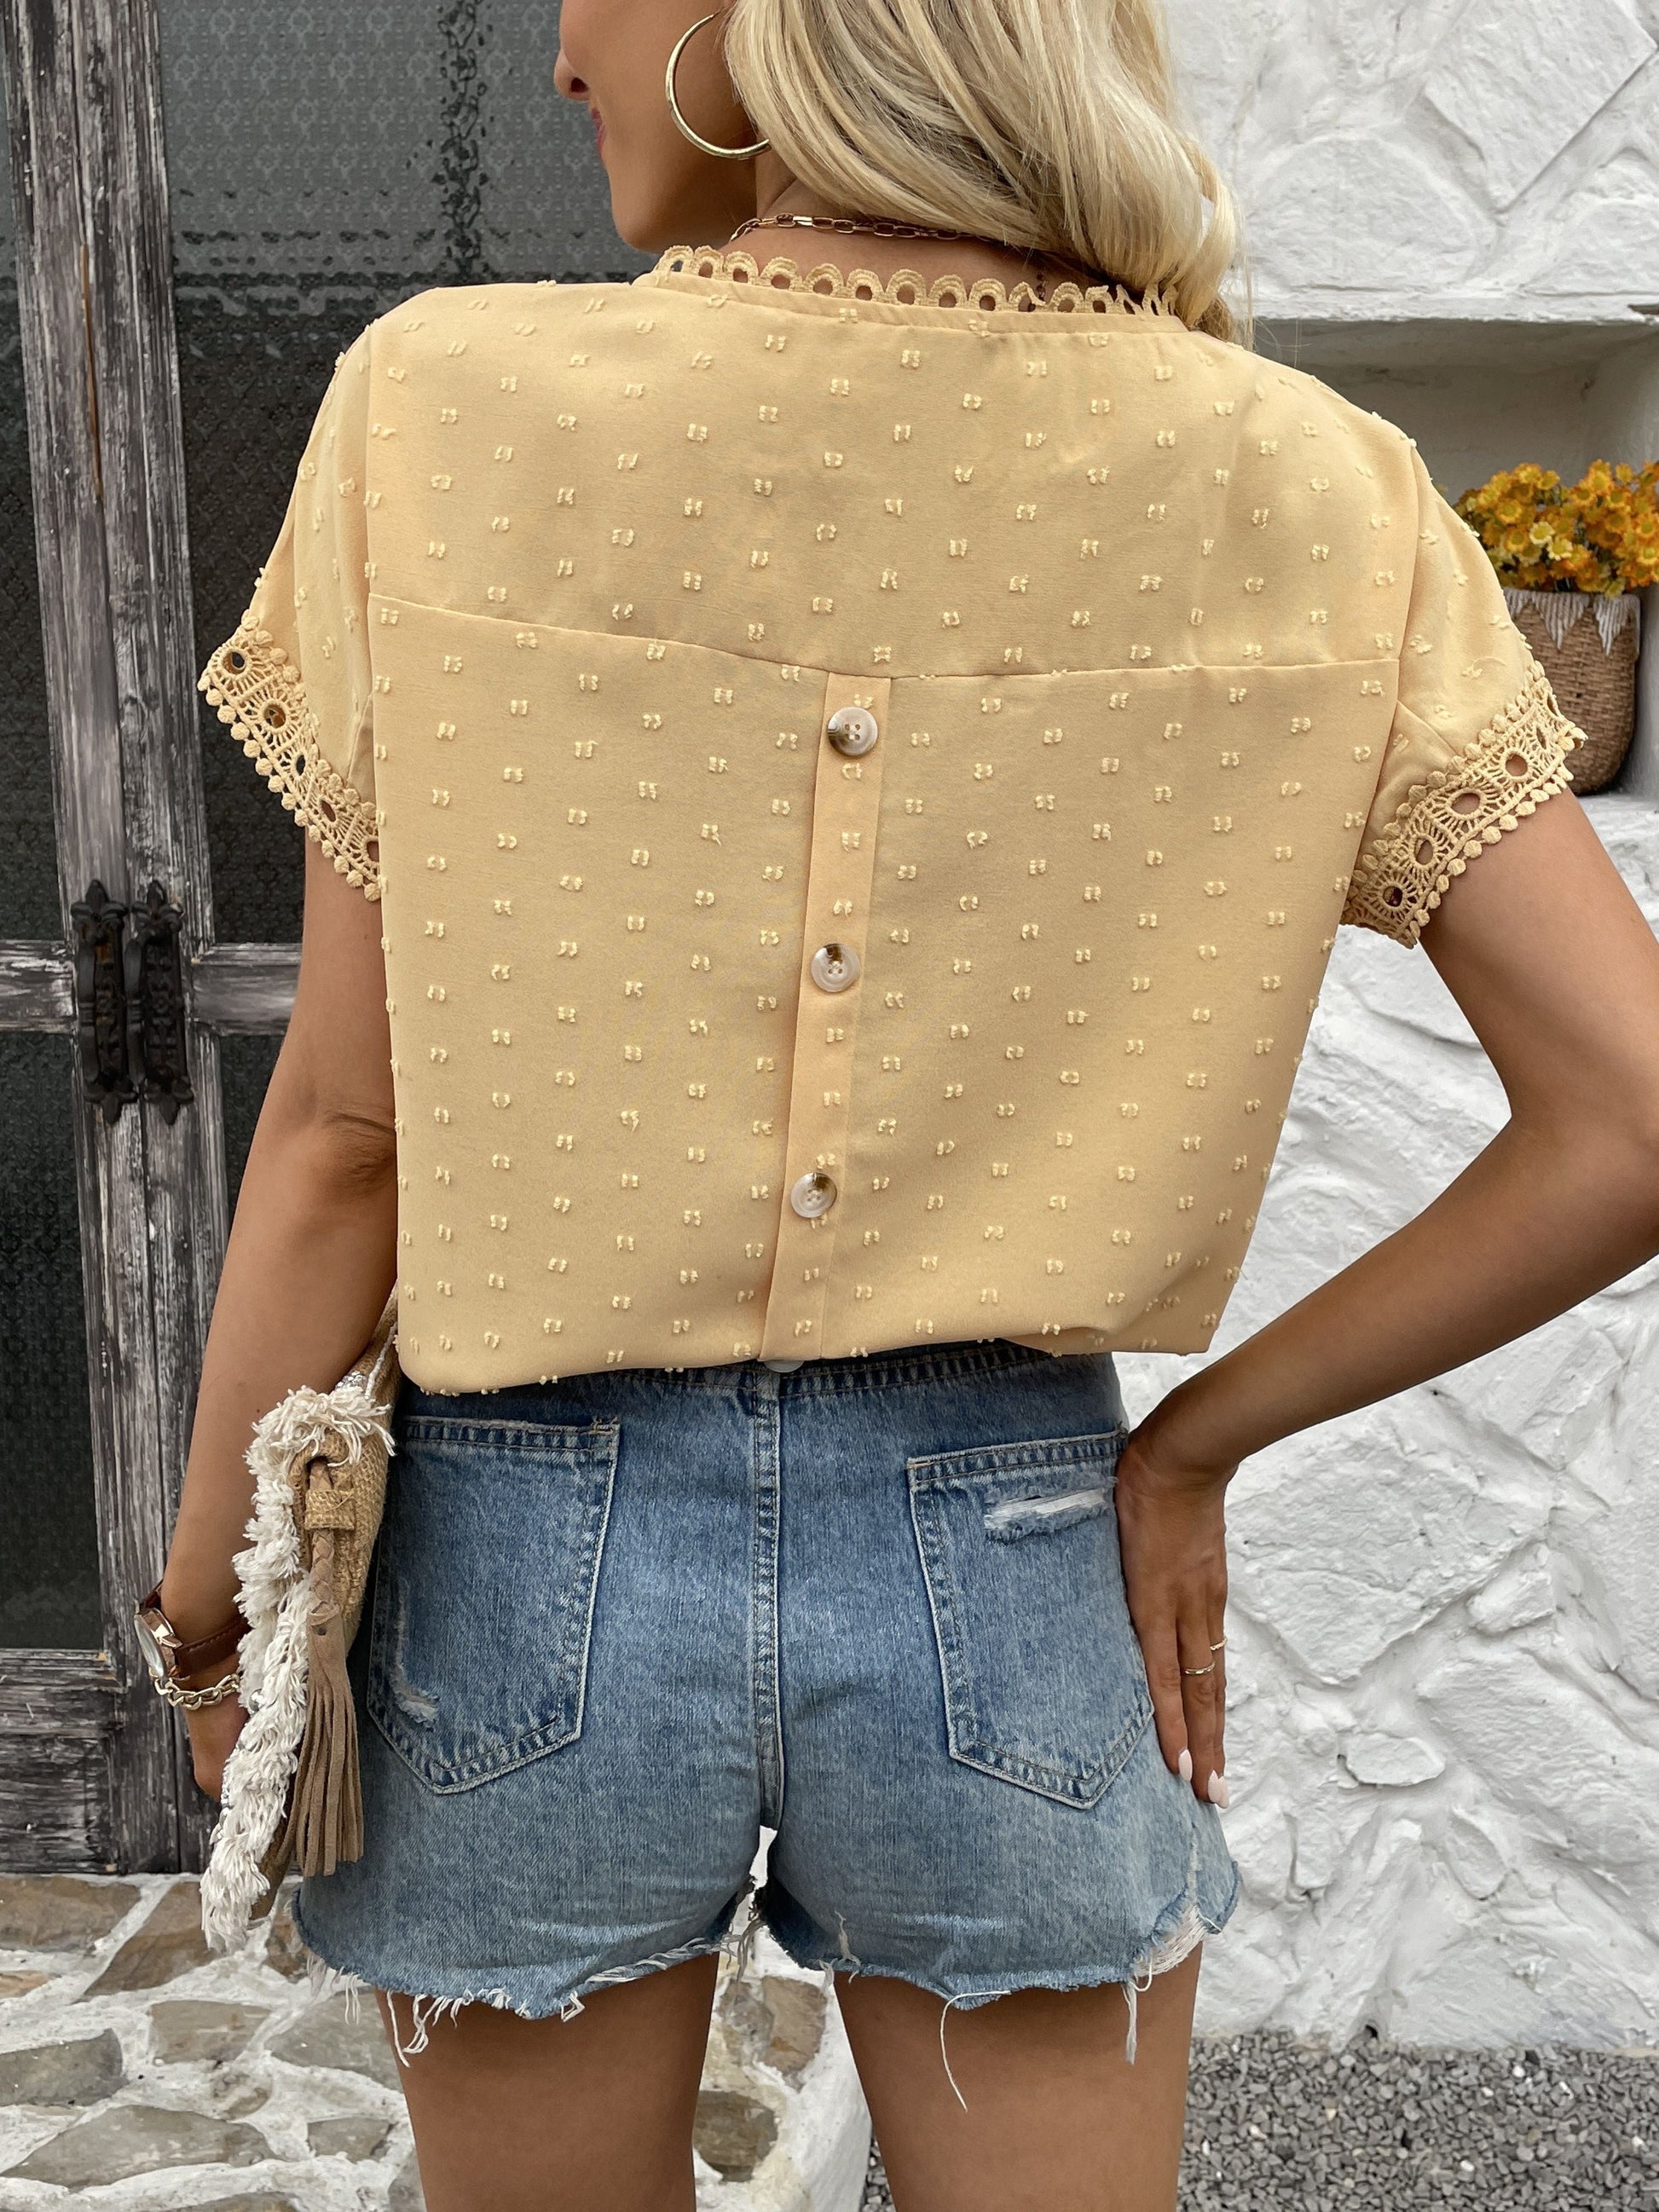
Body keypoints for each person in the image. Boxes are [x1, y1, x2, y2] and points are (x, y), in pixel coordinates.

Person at [150, 2, 1659, 2206]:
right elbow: (1630, 1116)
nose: (560, 55)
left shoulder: (446, 409)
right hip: (1015, 1548)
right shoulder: (1314, 482)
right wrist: (1194, 1444)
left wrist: (212, 1617)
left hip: (526, 1556)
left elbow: (344, 1140)